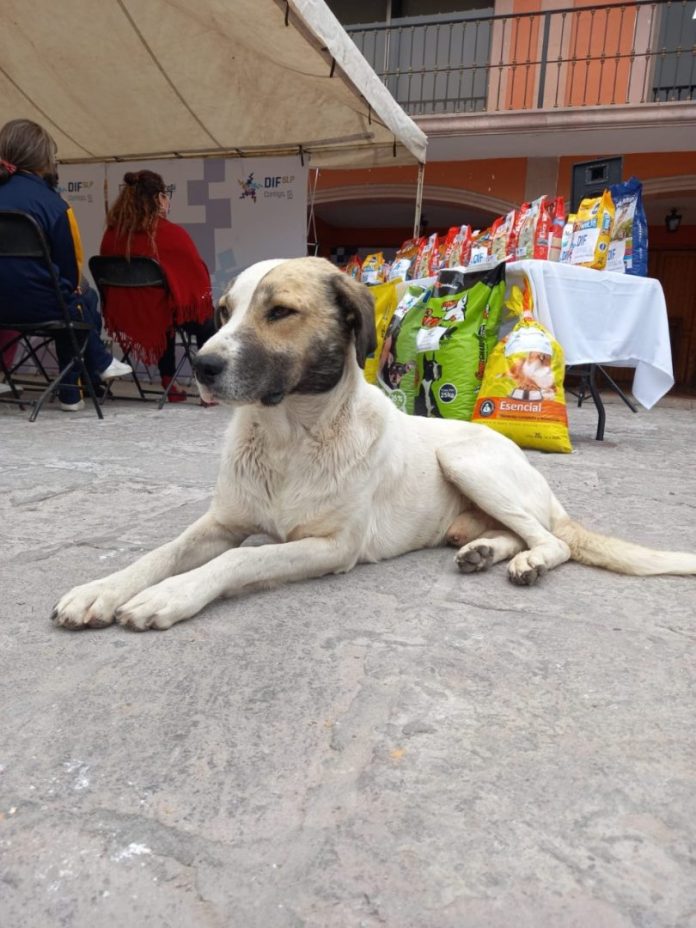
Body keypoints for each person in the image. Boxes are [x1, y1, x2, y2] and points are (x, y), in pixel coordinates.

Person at [0, 118, 132, 411]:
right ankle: (73, 389)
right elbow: (71, 273)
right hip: (42, 306)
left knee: (71, 298)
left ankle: (89, 374)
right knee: (79, 297)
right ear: (43, 158)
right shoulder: (56, 205)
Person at [100, 170, 215, 402]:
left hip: (125, 313)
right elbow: (197, 282)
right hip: (159, 315)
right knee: (205, 321)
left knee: (162, 309)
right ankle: (209, 390)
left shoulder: (111, 235)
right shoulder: (172, 234)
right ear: (159, 198)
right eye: (166, 195)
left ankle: (168, 382)